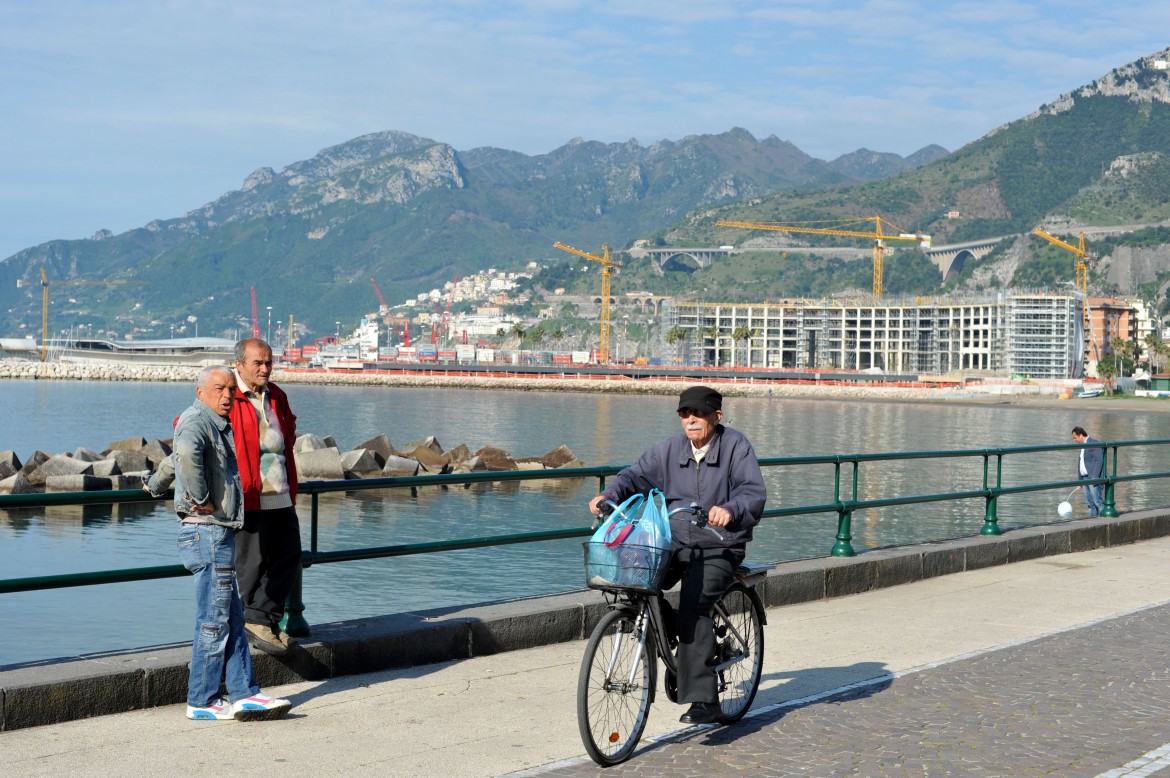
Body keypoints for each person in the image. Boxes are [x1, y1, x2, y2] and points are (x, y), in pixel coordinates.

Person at [588, 385, 767, 725]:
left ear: (716, 416)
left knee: (694, 604)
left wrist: (730, 509)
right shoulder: (669, 450)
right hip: (674, 539)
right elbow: (634, 475)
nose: (691, 419)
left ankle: (704, 699)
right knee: (634, 579)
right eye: (685, 413)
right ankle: (679, 642)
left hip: (720, 542)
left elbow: (752, 491)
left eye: (698, 413)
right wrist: (609, 494)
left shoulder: (735, 447)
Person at [146, 365, 292, 721]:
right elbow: (184, 450)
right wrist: (201, 495)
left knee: (230, 615)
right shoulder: (197, 422)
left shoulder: (209, 422)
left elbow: (172, 460)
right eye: (218, 389)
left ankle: (243, 694)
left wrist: (154, 485)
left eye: (230, 388)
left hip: (214, 531)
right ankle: (202, 700)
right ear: (200, 393)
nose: (227, 395)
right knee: (214, 620)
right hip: (207, 531)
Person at [230, 338, 302, 656]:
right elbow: (191, 429)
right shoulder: (227, 395)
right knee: (250, 566)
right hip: (248, 496)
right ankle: (248, 626)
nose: (265, 368)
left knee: (289, 557)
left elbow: (289, 430)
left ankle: (263, 621)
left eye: (269, 362)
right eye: (258, 363)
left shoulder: (277, 396)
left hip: (281, 493)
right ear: (239, 365)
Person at [1072, 426, 1105, 517]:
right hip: (1084, 478)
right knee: (1090, 504)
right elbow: (1081, 463)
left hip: (1092, 478)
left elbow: (1099, 460)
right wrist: (1080, 481)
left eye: (1075, 438)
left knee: (1098, 502)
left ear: (1081, 435)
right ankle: (1093, 522)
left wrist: (1094, 477)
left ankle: (1106, 521)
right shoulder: (1083, 446)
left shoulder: (1094, 443)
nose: (1074, 440)